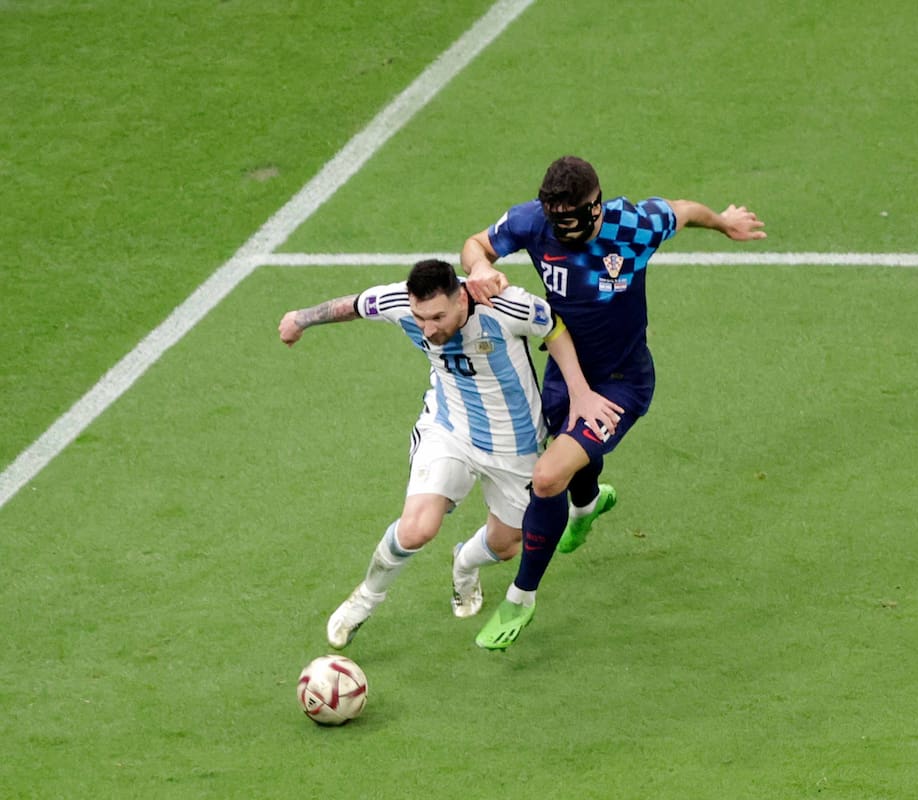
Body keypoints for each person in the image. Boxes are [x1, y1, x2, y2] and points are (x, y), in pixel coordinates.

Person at [462, 155, 766, 649]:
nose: (559, 230)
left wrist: (724, 221)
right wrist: (478, 268)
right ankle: (587, 505)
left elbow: (684, 210)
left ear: (595, 207)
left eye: (570, 219)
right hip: (565, 372)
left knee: (547, 475)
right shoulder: (533, 222)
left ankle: (521, 597)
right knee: (571, 460)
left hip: (622, 381)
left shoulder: (635, 225)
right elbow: (477, 244)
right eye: (554, 219)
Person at [277, 258, 614, 650]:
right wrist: (300, 319)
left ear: (461, 297)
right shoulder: (399, 304)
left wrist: (579, 391)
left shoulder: (506, 306)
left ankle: (464, 563)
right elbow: (351, 306)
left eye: (437, 316)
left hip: (516, 445)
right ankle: (364, 600)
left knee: (507, 545)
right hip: (448, 429)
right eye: (420, 318)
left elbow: (554, 329)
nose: (428, 328)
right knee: (417, 527)